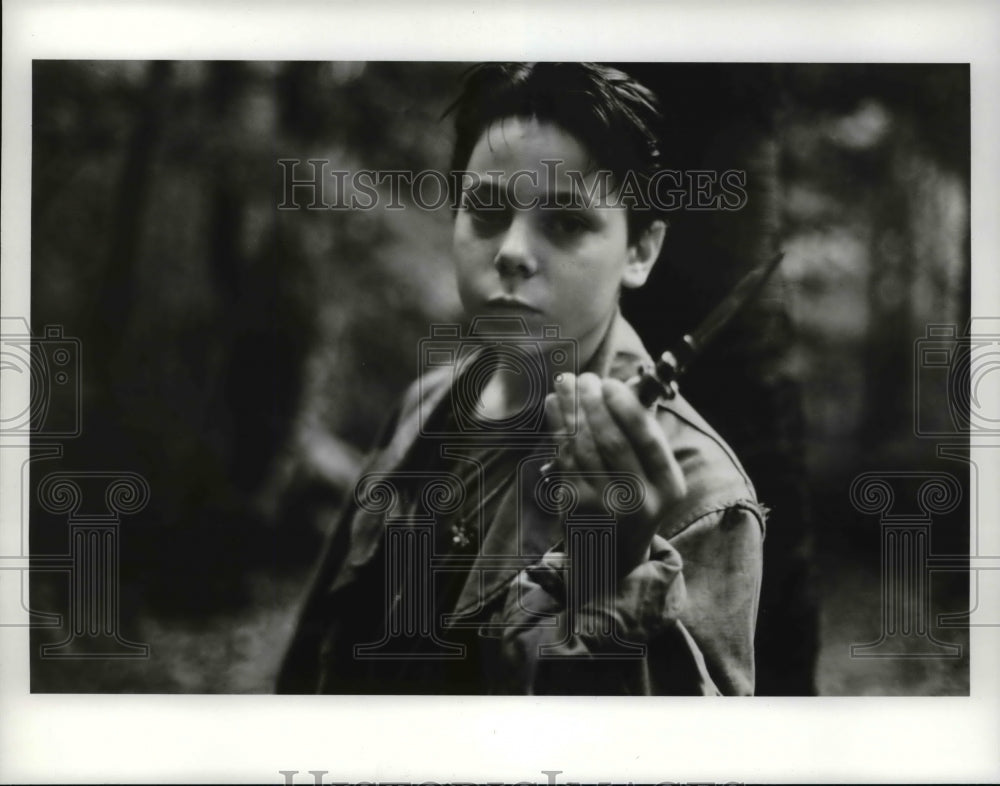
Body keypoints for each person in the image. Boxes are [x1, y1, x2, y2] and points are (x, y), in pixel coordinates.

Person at [277, 62, 765, 695]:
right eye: (485, 210)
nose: (511, 251)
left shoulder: (700, 498)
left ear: (640, 251)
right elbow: (317, 652)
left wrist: (606, 581)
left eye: (565, 222)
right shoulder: (427, 405)